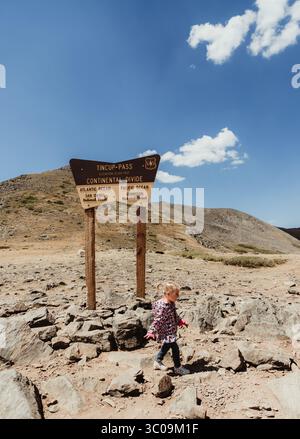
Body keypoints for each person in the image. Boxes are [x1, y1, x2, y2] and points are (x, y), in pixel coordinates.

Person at [145, 282, 190, 375]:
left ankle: (158, 361)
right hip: (166, 331)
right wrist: (151, 331)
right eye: (176, 294)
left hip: (171, 329)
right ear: (168, 294)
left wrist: (180, 321)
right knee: (175, 347)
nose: (178, 296)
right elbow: (158, 320)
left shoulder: (171, 303)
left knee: (167, 345)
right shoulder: (163, 306)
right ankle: (177, 367)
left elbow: (174, 314)